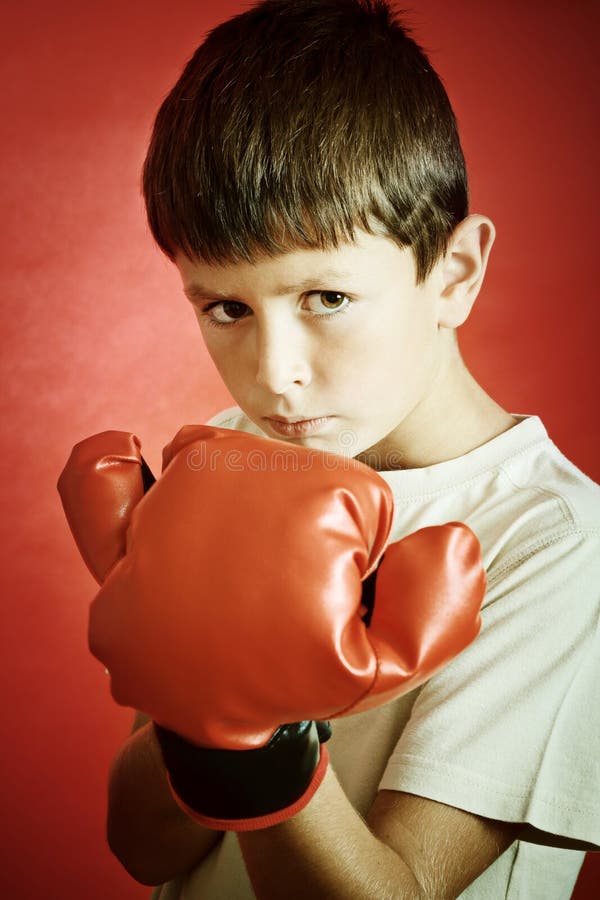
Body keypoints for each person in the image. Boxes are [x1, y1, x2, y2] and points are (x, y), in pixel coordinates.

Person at [69, 1, 600, 897]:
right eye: (226, 308)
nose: (276, 375)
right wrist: (199, 723)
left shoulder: (556, 543)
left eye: (326, 297)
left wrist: (262, 737)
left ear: (455, 274)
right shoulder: (226, 457)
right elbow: (144, 849)